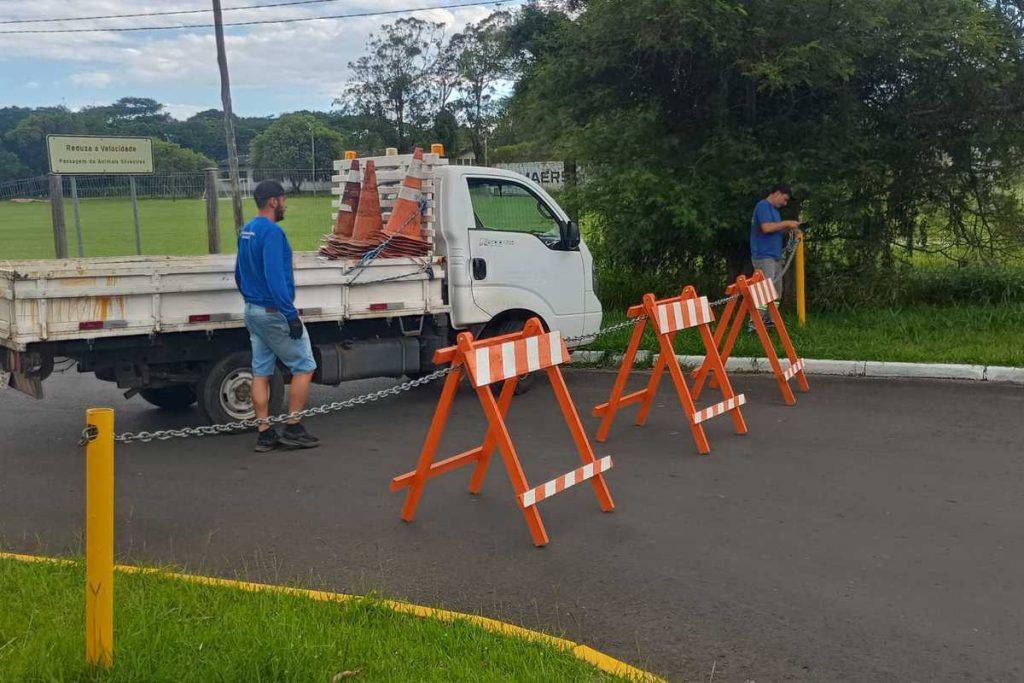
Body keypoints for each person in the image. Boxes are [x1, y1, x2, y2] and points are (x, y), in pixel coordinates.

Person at [234, 180, 320, 452]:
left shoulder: (247, 230)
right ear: (273, 201)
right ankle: (293, 427)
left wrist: (251, 299)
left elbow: (238, 273)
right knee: (304, 366)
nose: (285, 204)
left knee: (261, 371)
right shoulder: (272, 233)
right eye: (283, 199)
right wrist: (290, 314)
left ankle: (265, 432)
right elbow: (275, 278)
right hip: (273, 313)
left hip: (252, 311)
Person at [749, 183, 800, 329]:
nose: (785, 203)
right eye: (784, 199)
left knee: (776, 292)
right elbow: (766, 228)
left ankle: (770, 322)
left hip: (774, 256)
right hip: (763, 256)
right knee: (763, 291)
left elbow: (774, 230)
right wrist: (787, 223)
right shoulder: (763, 206)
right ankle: (755, 324)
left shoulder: (775, 211)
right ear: (777, 193)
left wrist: (788, 229)